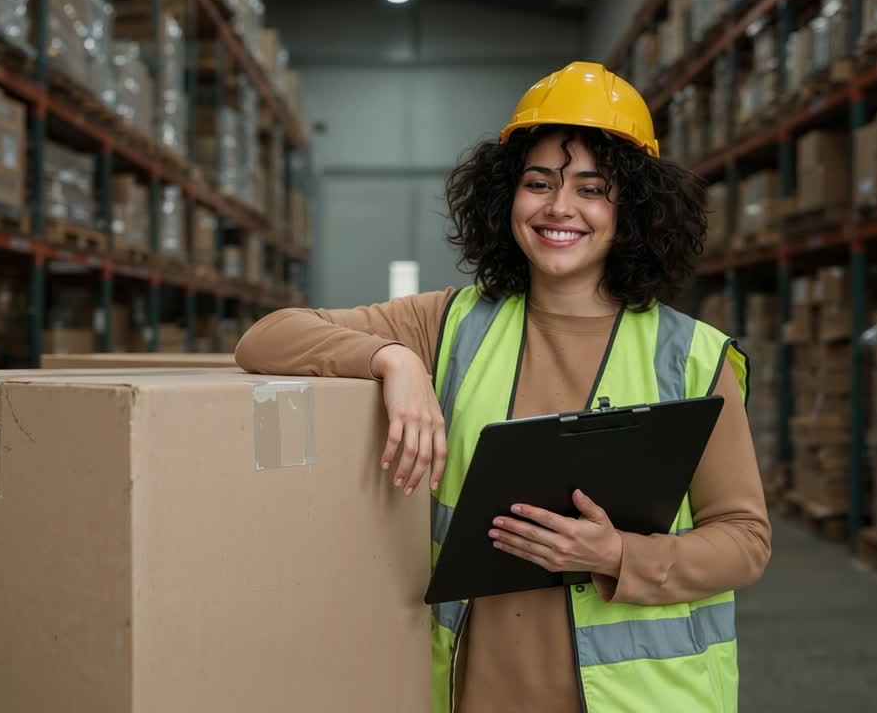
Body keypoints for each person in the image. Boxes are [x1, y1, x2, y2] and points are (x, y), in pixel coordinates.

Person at [235, 61, 770, 713]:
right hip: (477, 690)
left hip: (644, 699)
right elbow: (267, 336)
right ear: (504, 197)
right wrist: (394, 360)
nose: (559, 208)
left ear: (633, 208)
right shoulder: (449, 325)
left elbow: (744, 540)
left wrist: (619, 554)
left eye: (592, 189)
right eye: (537, 183)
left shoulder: (690, 356)